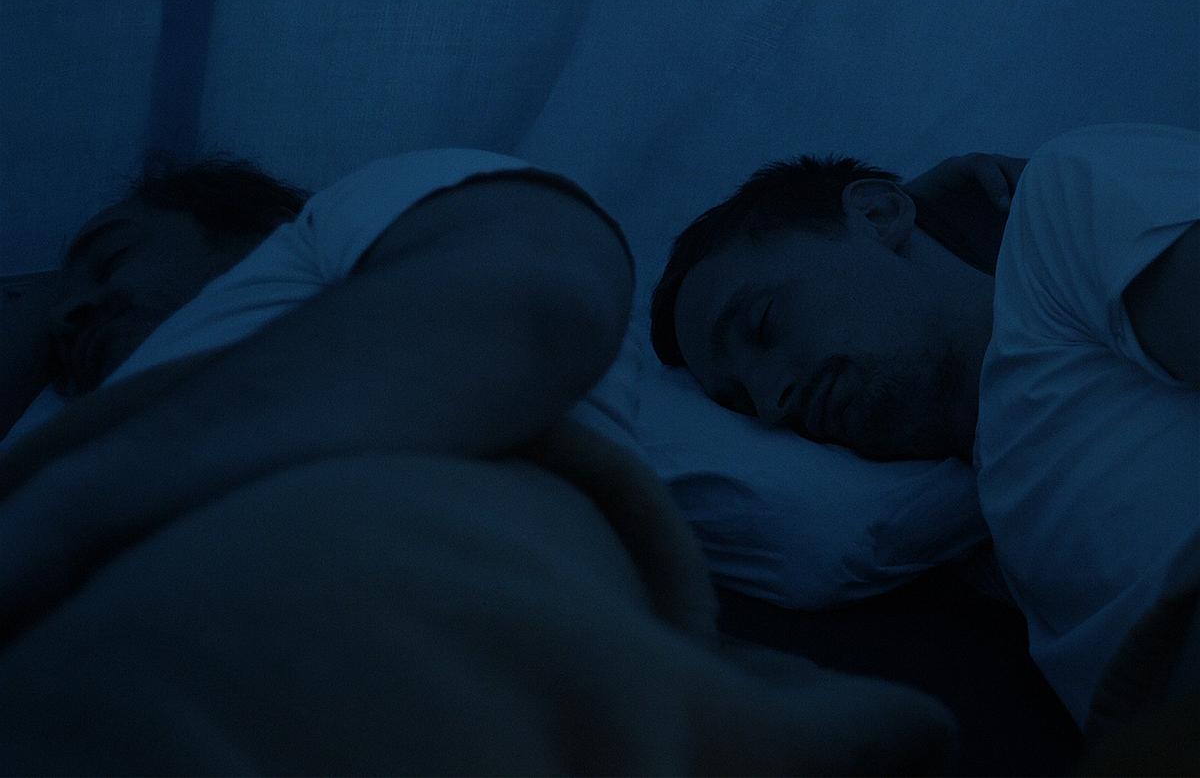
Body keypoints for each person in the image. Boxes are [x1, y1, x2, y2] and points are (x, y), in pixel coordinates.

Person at [0, 148, 959, 773]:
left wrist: (58, 511)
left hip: (333, 630)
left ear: (255, 232)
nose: (70, 305)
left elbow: (540, 302)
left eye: (111, 257)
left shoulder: (360, 221)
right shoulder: (84, 414)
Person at [649, 123, 1199, 733]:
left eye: (763, 324)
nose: (771, 401)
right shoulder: (982, 535)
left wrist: (909, 221)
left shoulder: (1061, 211)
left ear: (878, 214)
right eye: (740, 402)